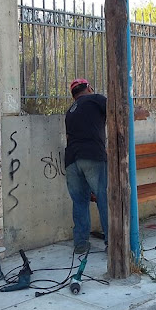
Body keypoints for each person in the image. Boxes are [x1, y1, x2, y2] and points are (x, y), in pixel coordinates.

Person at [65, 78, 109, 253]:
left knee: (79, 201)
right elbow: (118, 111)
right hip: (92, 156)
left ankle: (81, 244)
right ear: (89, 88)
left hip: (71, 160)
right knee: (104, 198)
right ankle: (112, 242)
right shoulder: (96, 99)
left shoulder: (70, 111)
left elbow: (68, 138)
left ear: (73, 95)